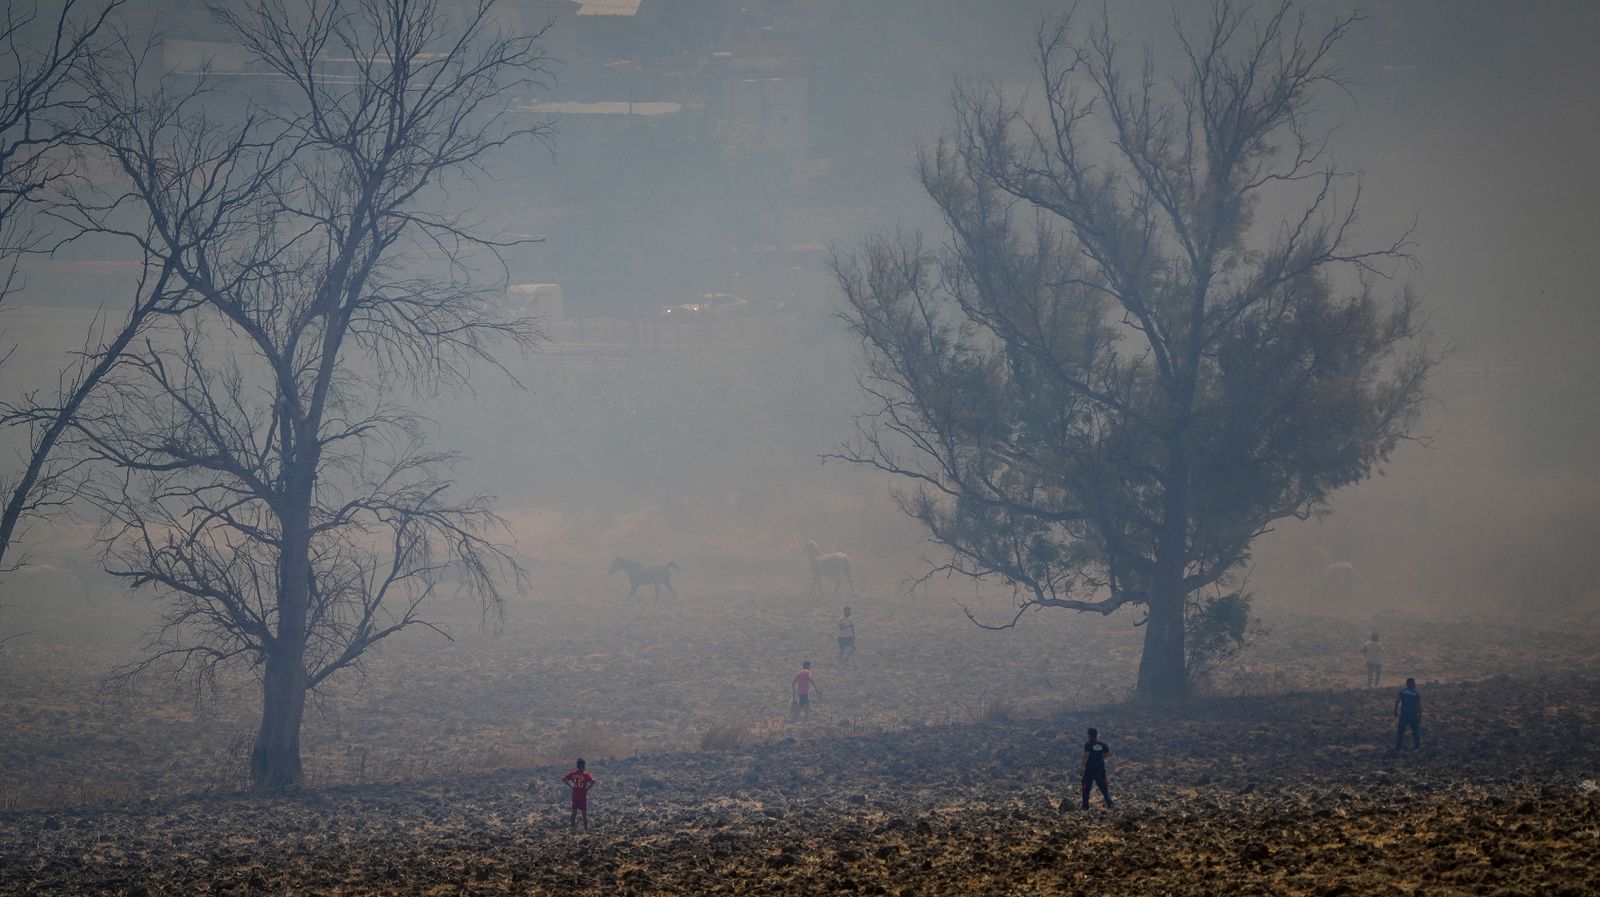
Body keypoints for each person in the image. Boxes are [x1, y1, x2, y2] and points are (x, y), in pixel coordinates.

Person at [1080, 727, 1113, 809]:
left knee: (1086, 788)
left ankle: (1085, 806)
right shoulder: (1102, 744)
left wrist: (1082, 766)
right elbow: (1108, 753)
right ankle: (1111, 804)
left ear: (1089, 734)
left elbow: (1086, 755)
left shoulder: (1088, 744)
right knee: (1104, 788)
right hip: (1100, 769)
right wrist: (1099, 757)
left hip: (1090, 770)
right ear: (1096, 734)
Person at [562, 758, 596, 831]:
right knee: (584, 813)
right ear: (583, 766)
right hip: (582, 795)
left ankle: (572, 828)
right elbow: (593, 781)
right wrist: (587, 788)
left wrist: (571, 786)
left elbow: (563, 779)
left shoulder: (573, 773)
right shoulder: (585, 774)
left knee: (574, 812)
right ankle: (586, 829)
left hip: (575, 794)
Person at [1394, 677, 1422, 751]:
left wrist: (1395, 711)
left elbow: (1397, 702)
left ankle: (1399, 747)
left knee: (1403, 731)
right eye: (1413, 683)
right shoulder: (1414, 693)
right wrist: (1420, 715)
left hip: (1407, 714)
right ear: (1410, 684)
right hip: (1409, 714)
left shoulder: (1404, 692)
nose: (1415, 685)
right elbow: (1419, 706)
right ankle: (1416, 747)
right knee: (1413, 731)